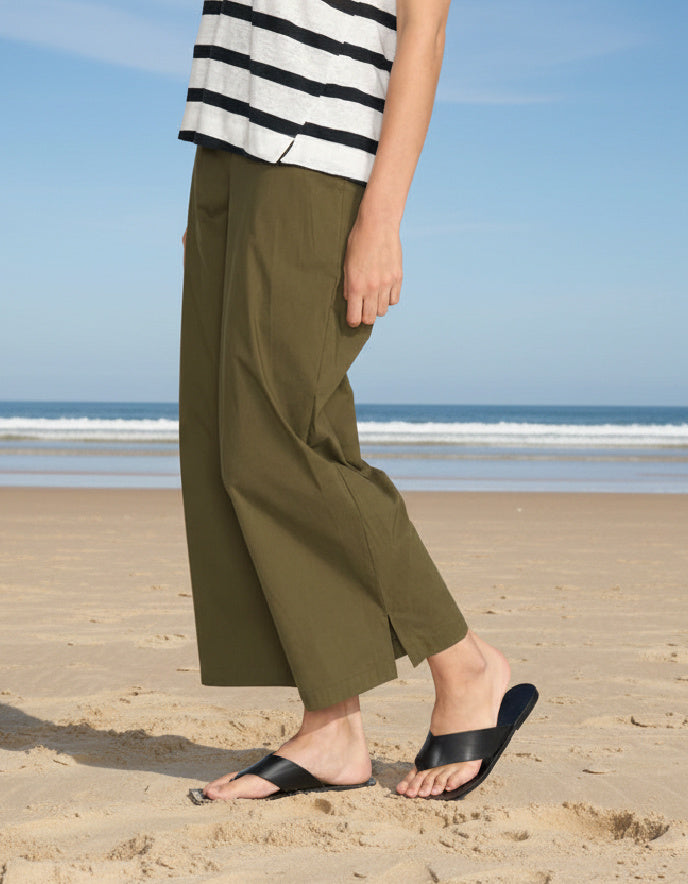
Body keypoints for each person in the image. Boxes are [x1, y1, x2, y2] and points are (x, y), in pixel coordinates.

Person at [178, 0, 537, 803]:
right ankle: (331, 726)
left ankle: (466, 663)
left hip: (316, 151)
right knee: (225, 441)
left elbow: (425, 28)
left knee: (282, 443)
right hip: (226, 142)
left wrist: (382, 214)